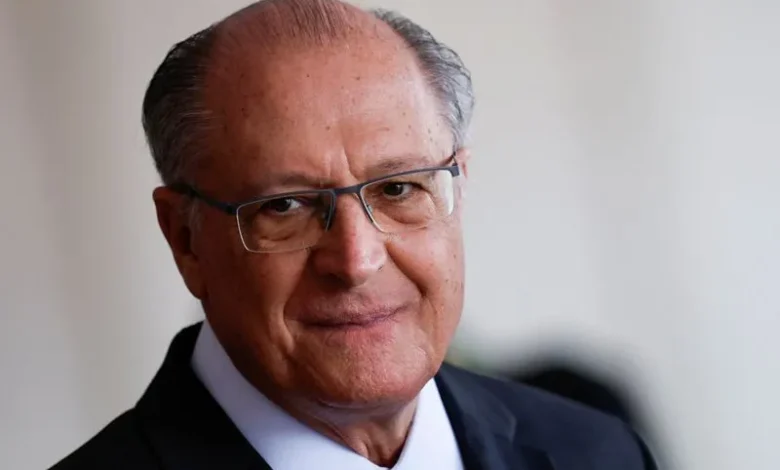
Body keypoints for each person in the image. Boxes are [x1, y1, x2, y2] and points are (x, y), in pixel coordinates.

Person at [50, 1, 656, 469]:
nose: (356, 260)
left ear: (457, 191)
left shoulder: (600, 452)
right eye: (285, 205)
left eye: (398, 188)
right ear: (185, 239)